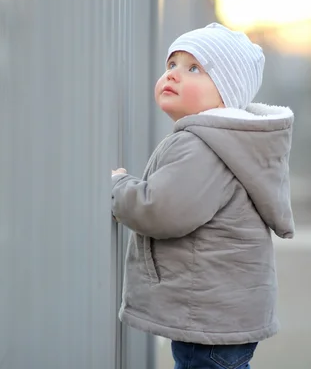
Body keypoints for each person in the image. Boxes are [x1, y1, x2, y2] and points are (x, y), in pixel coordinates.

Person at [111, 22, 295, 369]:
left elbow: (162, 210)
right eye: (172, 65)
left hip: (207, 321)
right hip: (221, 316)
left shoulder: (203, 146)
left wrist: (120, 187)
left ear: (227, 92)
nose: (175, 75)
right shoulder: (222, 142)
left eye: (193, 68)